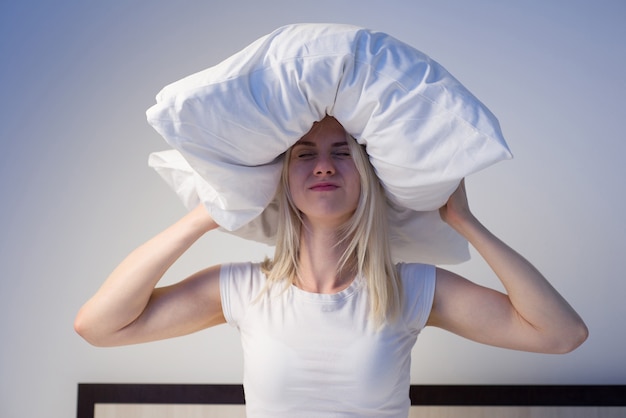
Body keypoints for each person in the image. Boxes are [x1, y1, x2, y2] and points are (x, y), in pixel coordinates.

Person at [75, 116, 588, 417]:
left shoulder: (410, 288)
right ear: (285, 180)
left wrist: (466, 222)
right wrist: (203, 218)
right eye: (305, 154)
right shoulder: (241, 289)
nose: (324, 165)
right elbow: (97, 327)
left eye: (342, 153)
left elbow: (562, 334)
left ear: (365, 177)